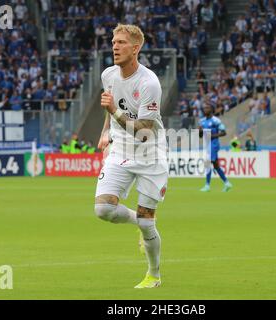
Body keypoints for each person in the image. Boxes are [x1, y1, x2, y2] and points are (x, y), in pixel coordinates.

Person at [95, 24, 168, 289]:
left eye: (122, 42)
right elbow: (108, 105)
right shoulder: (108, 75)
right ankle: (139, 221)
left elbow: (144, 130)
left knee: (148, 223)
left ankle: (154, 275)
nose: (115, 46)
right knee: (103, 208)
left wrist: (114, 112)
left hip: (150, 153)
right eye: (113, 41)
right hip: (120, 150)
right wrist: (106, 133)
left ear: (135, 48)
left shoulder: (149, 83)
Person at [198, 103, 232, 192]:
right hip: (207, 145)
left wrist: (213, 135)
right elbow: (200, 136)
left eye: (207, 108)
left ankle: (207, 185)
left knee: (208, 162)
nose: (205, 109)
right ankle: (227, 183)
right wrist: (200, 131)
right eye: (204, 108)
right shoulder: (201, 121)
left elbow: (224, 132)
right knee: (216, 165)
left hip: (214, 144)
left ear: (211, 109)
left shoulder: (216, 120)